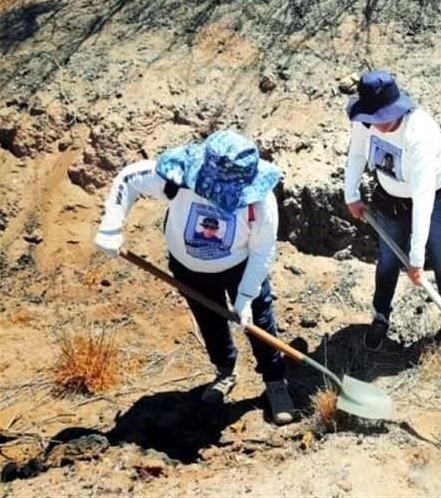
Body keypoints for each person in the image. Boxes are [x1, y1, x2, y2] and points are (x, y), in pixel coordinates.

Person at [93, 130, 295, 425]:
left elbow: (262, 250)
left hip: (239, 268)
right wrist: (111, 225)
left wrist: (246, 297)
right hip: (188, 269)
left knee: (260, 322)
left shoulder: (260, 200)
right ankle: (225, 371)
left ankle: (275, 383)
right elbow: (128, 179)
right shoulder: (179, 176)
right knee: (208, 319)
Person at [343, 70, 441, 350]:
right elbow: (358, 153)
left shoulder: (418, 133)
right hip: (390, 195)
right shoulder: (365, 121)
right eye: (373, 119)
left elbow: (423, 196)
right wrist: (351, 194)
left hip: (435, 195)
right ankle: (380, 315)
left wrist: (417, 259)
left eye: (383, 118)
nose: (378, 125)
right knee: (387, 259)